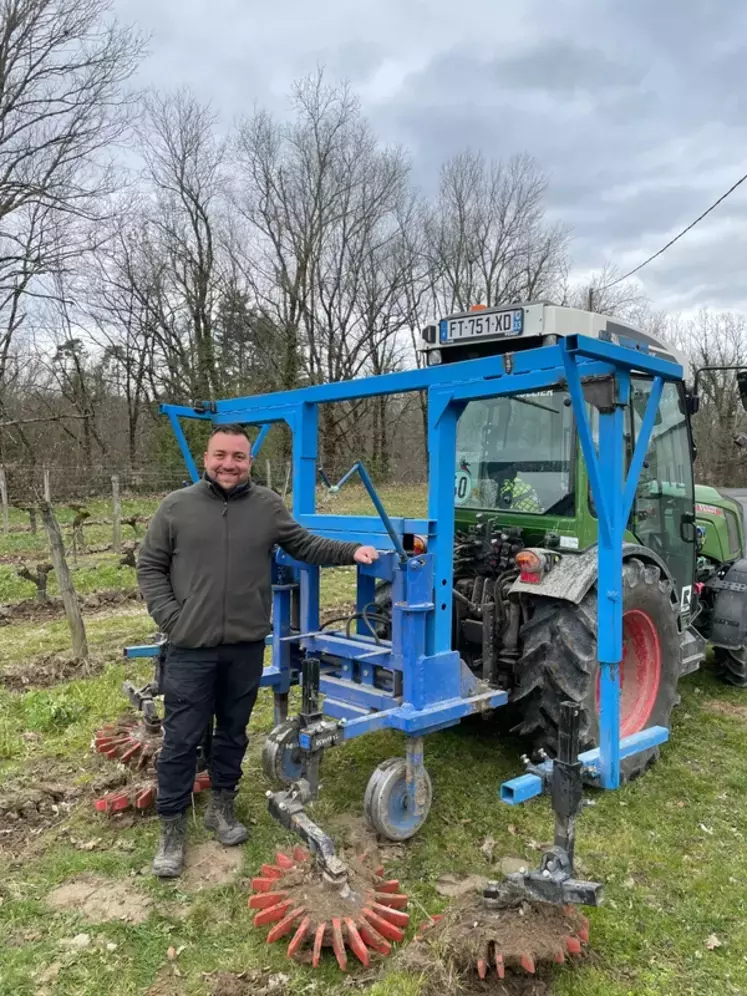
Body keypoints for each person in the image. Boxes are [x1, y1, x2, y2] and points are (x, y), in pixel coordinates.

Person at [136, 424, 378, 877]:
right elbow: (150, 565)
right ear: (206, 459)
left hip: (245, 645)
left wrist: (353, 551)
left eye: (239, 457)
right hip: (190, 647)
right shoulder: (177, 507)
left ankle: (222, 809)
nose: (229, 464)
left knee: (233, 732)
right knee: (182, 739)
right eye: (221, 456)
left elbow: (304, 543)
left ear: (250, 462)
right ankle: (171, 829)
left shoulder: (266, 505)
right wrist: (172, 618)